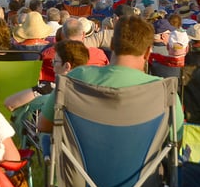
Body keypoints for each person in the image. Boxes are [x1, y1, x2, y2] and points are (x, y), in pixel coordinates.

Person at [37, 15, 182, 134]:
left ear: (112, 45)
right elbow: (176, 139)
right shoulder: (165, 91)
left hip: (81, 165)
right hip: (145, 167)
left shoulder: (75, 78)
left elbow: (44, 125)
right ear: (148, 52)